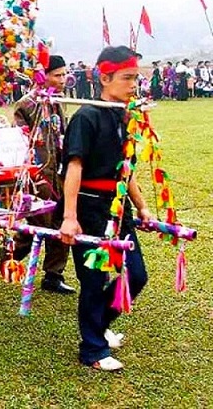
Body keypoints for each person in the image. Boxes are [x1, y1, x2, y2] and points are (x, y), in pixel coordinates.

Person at [59, 45, 152, 372]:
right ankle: (92, 350)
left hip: (118, 209)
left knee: (136, 275)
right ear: (104, 78)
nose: (132, 85)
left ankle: (100, 324)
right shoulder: (86, 116)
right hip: (88, 210)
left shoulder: (126, 116)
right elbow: (74, 167)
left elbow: (126, 169)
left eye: (135, 78)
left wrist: (141, 208)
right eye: (126, 78)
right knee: (94, 280)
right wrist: (70, 217)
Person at [11, 55, 75, 294]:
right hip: (37, 174)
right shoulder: (26, 104)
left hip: (60, 172)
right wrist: (32, 171)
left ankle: (53, 275)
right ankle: (10, 256)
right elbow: (19, 140)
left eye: (63, 74)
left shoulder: (58, 101)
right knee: (38, 223)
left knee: (60, 221)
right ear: (43, 76)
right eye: (57, 75)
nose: (62, 79)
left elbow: (63, 133)